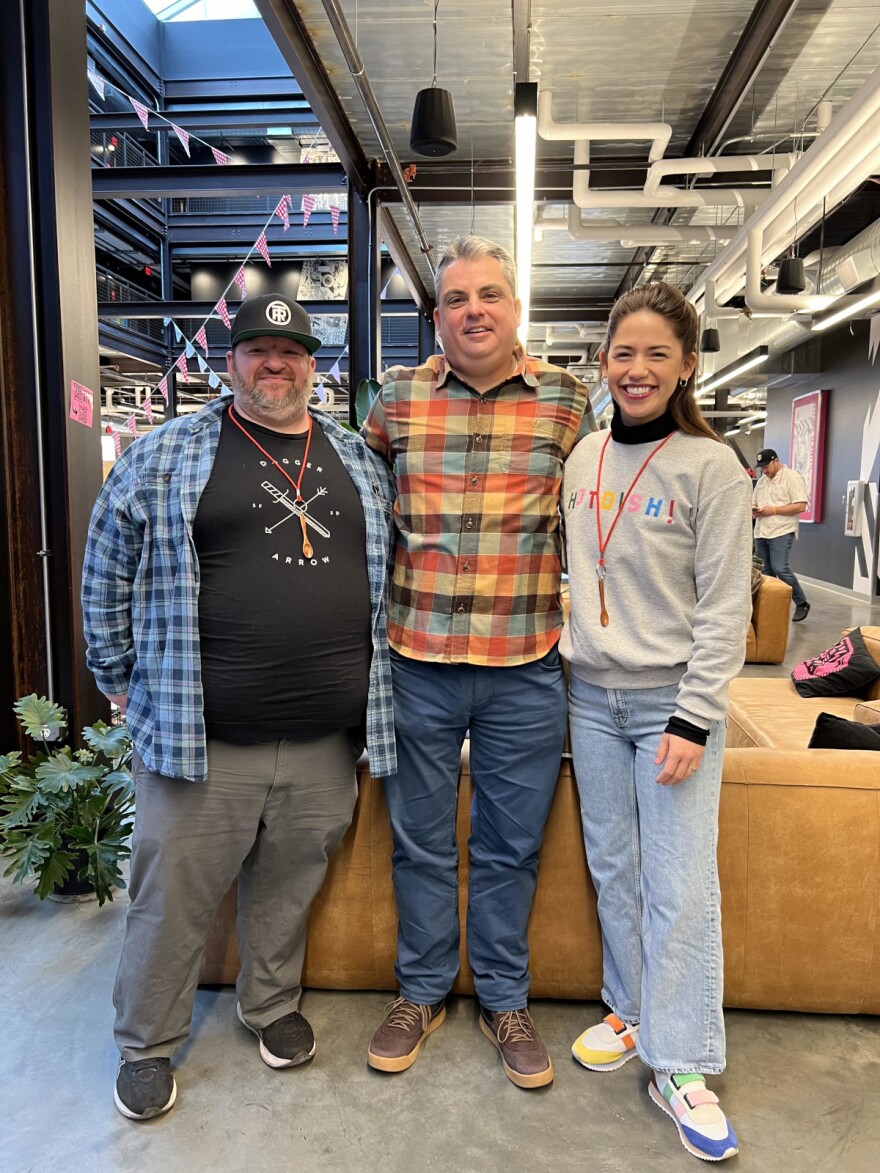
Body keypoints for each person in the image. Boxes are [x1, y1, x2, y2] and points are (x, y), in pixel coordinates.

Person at [82, 293, 396, 1120]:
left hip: (327, 737)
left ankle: (269, 1005)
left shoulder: (358, 461)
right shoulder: (165, 453)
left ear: (312, 366)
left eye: (291, 352)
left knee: (289, 886)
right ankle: (145, 1042)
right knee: (171, 894)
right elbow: (106, 566)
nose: (275, 365)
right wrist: (113, 672)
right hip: (201, 739)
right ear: (231, 362)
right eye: (258, 349)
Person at [361, 235, 594, 1089]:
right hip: (415, 659)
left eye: (489, 295)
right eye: (457, 299)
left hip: (526, 662)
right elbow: (365, 505)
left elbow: (593, 516)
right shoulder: (396, 398)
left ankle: (503, 998)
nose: (474, 311)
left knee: (508, 845)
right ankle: (419, 992)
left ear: (515, 309)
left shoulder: (569, 401)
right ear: (436, 316)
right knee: (419, 842)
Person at [561, 282, 752, 1162]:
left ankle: (681, 1061)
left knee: (680, 881)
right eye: (622, 353)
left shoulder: (712, 469)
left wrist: (695, 716)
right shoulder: (584, 457)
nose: (636, 370)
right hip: (587, 695)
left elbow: (723, 609)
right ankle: (633, 1011)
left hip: (670, 701)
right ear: (603, 361)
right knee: (615, 865)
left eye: (655, 355)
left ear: (686, 366)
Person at [752, 447, 810, 621]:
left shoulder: (793, 478)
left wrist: (774, 510)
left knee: (780, 568)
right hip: (762, 530)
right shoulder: (762, 482)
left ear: (776, 461)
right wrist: (754, 511)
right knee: (766, 572)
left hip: (782, 530)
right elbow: (753, 502)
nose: (764, 470)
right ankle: (772, 606)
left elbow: (800, 506)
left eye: (767, 466)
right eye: (761, 468)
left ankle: (801, 602)